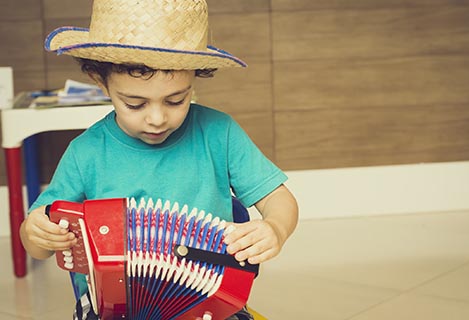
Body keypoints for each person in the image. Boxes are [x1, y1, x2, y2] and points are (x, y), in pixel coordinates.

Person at [20, 0, 298, 319]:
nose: (157, 118)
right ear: (101, 81)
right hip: (111, 305)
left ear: (194, 76)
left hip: (208, 293)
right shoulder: (86, 152)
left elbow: (279, 198)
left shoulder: (220, 133)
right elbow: (38, 240)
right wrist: (36, 233)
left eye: (176, 100)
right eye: (135, 104)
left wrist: (275, 227)